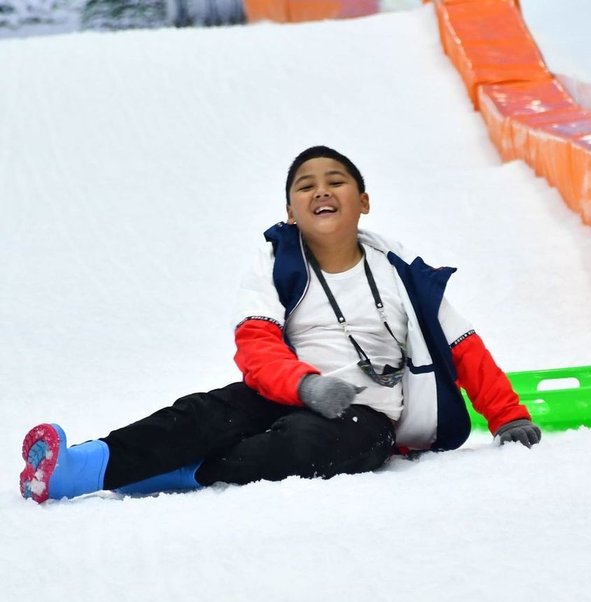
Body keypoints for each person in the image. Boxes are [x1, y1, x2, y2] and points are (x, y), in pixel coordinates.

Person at [19, 146, 541, 504]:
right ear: (290, 210)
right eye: (306, 185)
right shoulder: (276, 265)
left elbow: (463, 345)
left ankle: (187, 472)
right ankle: (79, 467)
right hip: (285, 388)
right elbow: (256, 344)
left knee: (318, 446)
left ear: (363, 202)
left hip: (366, 415)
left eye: (336, 181)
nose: (322, 191)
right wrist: (305, 384)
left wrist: (507, 416)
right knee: (204, 413)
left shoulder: (402, 273)